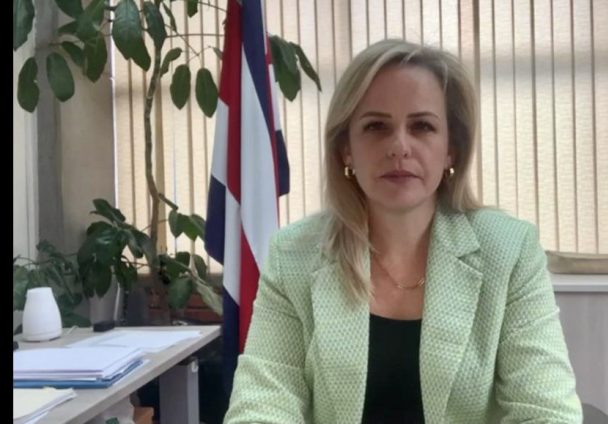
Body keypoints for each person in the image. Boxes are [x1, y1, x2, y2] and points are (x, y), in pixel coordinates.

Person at [224, 39, 582, 424]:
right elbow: (261, 404)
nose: (399, 147)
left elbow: (546, 412)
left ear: (451, 149)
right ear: (346, 149)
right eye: (376, 126)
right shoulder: (294, 255)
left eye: (422, 126)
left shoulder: (509, 251)